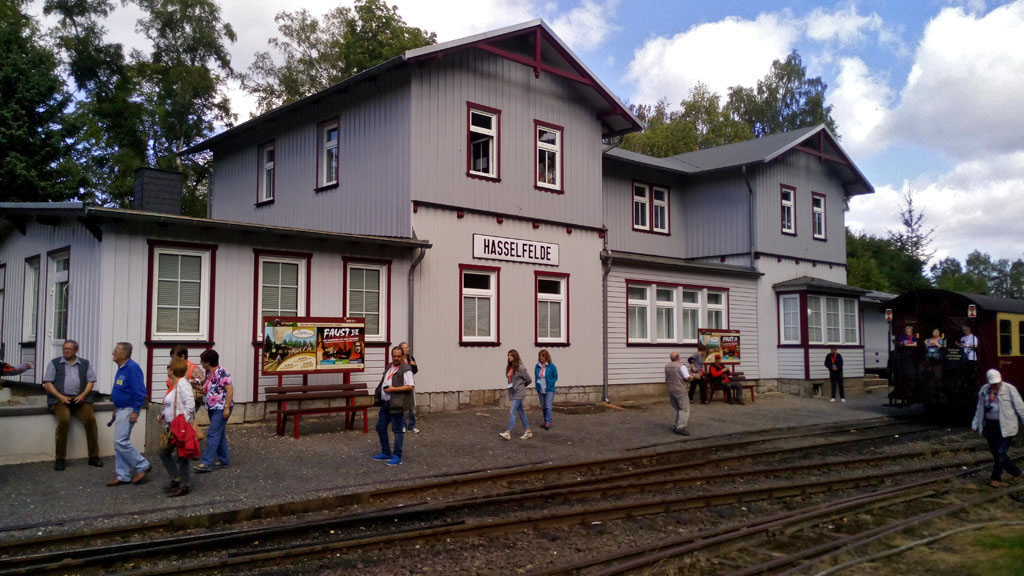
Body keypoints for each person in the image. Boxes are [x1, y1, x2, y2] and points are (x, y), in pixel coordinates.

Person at [41, 340, 101, 471]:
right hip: (60, 399)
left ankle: (94, 456)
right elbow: (47, 384)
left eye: (69, 349)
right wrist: (61, 397)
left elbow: (91, 382)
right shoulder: (54, 363)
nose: (66, 351)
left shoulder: (85, 363)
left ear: (76, 350)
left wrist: (83, 395)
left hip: (80, 399)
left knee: (90, 420)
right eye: (64, 349)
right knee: (64, 421)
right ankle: (60, 459)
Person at [107, 342, 150, 486]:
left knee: (121, 441)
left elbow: (139, 391)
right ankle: (123, 474)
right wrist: (115, 407)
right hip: (120, 408)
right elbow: (121, 389)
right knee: (118, 443)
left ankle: (142, 465)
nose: (113, 352)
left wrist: (136, 410)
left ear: (123, 355)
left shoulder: (132, 368)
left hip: (129, 409)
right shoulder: (122, 368)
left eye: (116, 350)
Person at [971, 369, 1024, 488]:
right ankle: (1016, 472)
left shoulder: (1010, 389)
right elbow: (979, 409)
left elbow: (1020, 408)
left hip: (1007, 426)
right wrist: (975, 423)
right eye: (993, 383)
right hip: (990, 426)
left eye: (997, 383)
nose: (995, 385)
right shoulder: (984, 390)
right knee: (996, 453)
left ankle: (996, 478)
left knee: (1000, 453)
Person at [158, 359, 195, 497]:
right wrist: (162, 414)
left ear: (172, 370)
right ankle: (176, 478)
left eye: (169, 367)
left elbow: (190, 403)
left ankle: (184, 485)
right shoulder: (174, 384)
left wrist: (183, 421)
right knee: (164, 453)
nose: (167, 369)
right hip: (172, 426)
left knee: (182, 456)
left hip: (179, 427)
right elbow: (170, 404)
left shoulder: (182, 384)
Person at [372, 346, 414, 466]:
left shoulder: (406, 368)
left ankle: (397, 456)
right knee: (380, 427)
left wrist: (393, 389)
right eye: (394, 356)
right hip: (385, 403)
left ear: (402, 356)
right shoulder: (389, 366)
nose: (396, 358)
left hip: (396, 404)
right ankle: (386, 452)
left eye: (398, 356)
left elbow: (410, 386)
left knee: (397, 430)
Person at [193, 349, 232, 473]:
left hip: (221, 408)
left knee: (212, 434)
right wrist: (195, 385)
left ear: (208, 362)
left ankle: (206, 462)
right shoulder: (210, 374)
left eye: (202, 362)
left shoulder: (222, 372)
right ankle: (224, 460)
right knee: (219, 434)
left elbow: (230, 390)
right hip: (212, 407)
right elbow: (207, 389)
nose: (201, 364)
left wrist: (226, 407)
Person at [499, 349, 532, 440]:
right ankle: (528, 431)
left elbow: (529, 379)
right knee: (521, 412)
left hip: (519, 393)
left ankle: (508, 432)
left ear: (515, 357)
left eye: (511, 355)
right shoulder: (510, 368)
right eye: (508, 355)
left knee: (512, 411)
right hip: (513, 393)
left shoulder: (520, 368)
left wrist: (521, 386)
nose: (509, 357)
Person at [665, 352, 691, 435]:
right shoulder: (682, 366)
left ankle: (675, 425)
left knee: (675, 408)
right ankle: (681, 427)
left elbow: (666, 378)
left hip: (671, 389)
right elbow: (687, 378)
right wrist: (693, 376)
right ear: (678, 357)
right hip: (680, 389)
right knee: (684, 408)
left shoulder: (667, 366)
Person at [535, 350, 558, 431]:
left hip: (549, 389)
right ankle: (545, 421)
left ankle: (548, 422)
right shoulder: (537, 366)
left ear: (546, 357)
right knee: (543, 407)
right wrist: (537, 386)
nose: (541, 357)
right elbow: (536, 377)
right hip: (540, 389)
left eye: (543, 356)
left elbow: (555, 376)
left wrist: (551, 384)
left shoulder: (551, 366)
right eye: (540, 356)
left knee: (548, 406)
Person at [399, 341, 420, 434]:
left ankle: (412, 426)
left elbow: (415, 371)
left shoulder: (411, 358)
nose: (407, 349)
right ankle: (402, 425)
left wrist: (414, 365)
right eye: (405, 348)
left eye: (407, 347)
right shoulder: (398, 359)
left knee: (411, 407)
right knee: (402, 406)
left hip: (410, 384)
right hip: (401, 384)